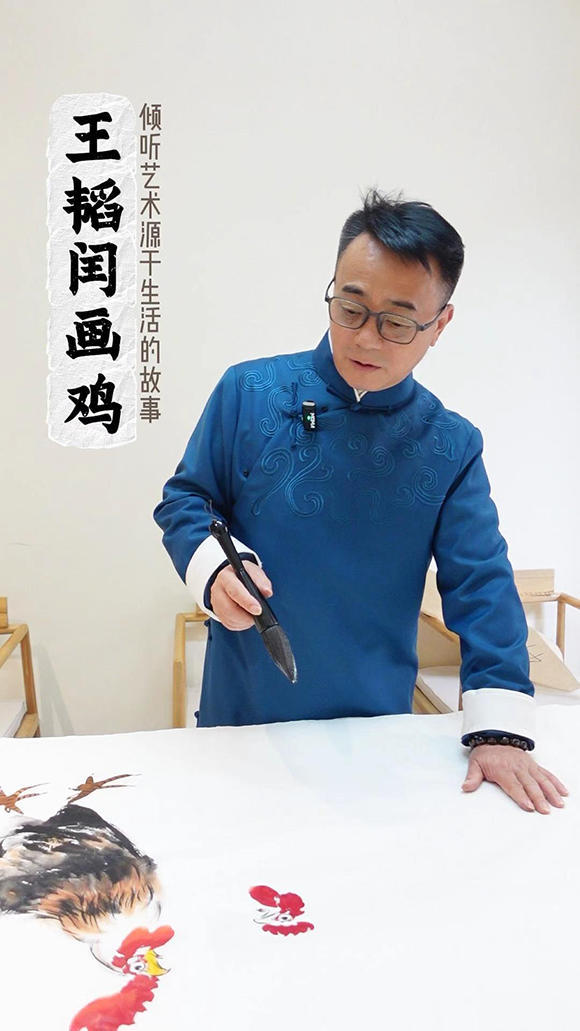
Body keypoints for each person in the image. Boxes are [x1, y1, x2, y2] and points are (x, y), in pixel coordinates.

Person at [154, 188, 568, 815]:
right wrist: (215, 569)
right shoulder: (249, 391)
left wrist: (500, 730)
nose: (367, 339)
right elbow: (187, 500)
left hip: (376, 730)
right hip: (243, 718)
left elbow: (480, 583)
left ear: (440, 325)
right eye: (350, 308)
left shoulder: (449, 444)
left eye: (397, 323)